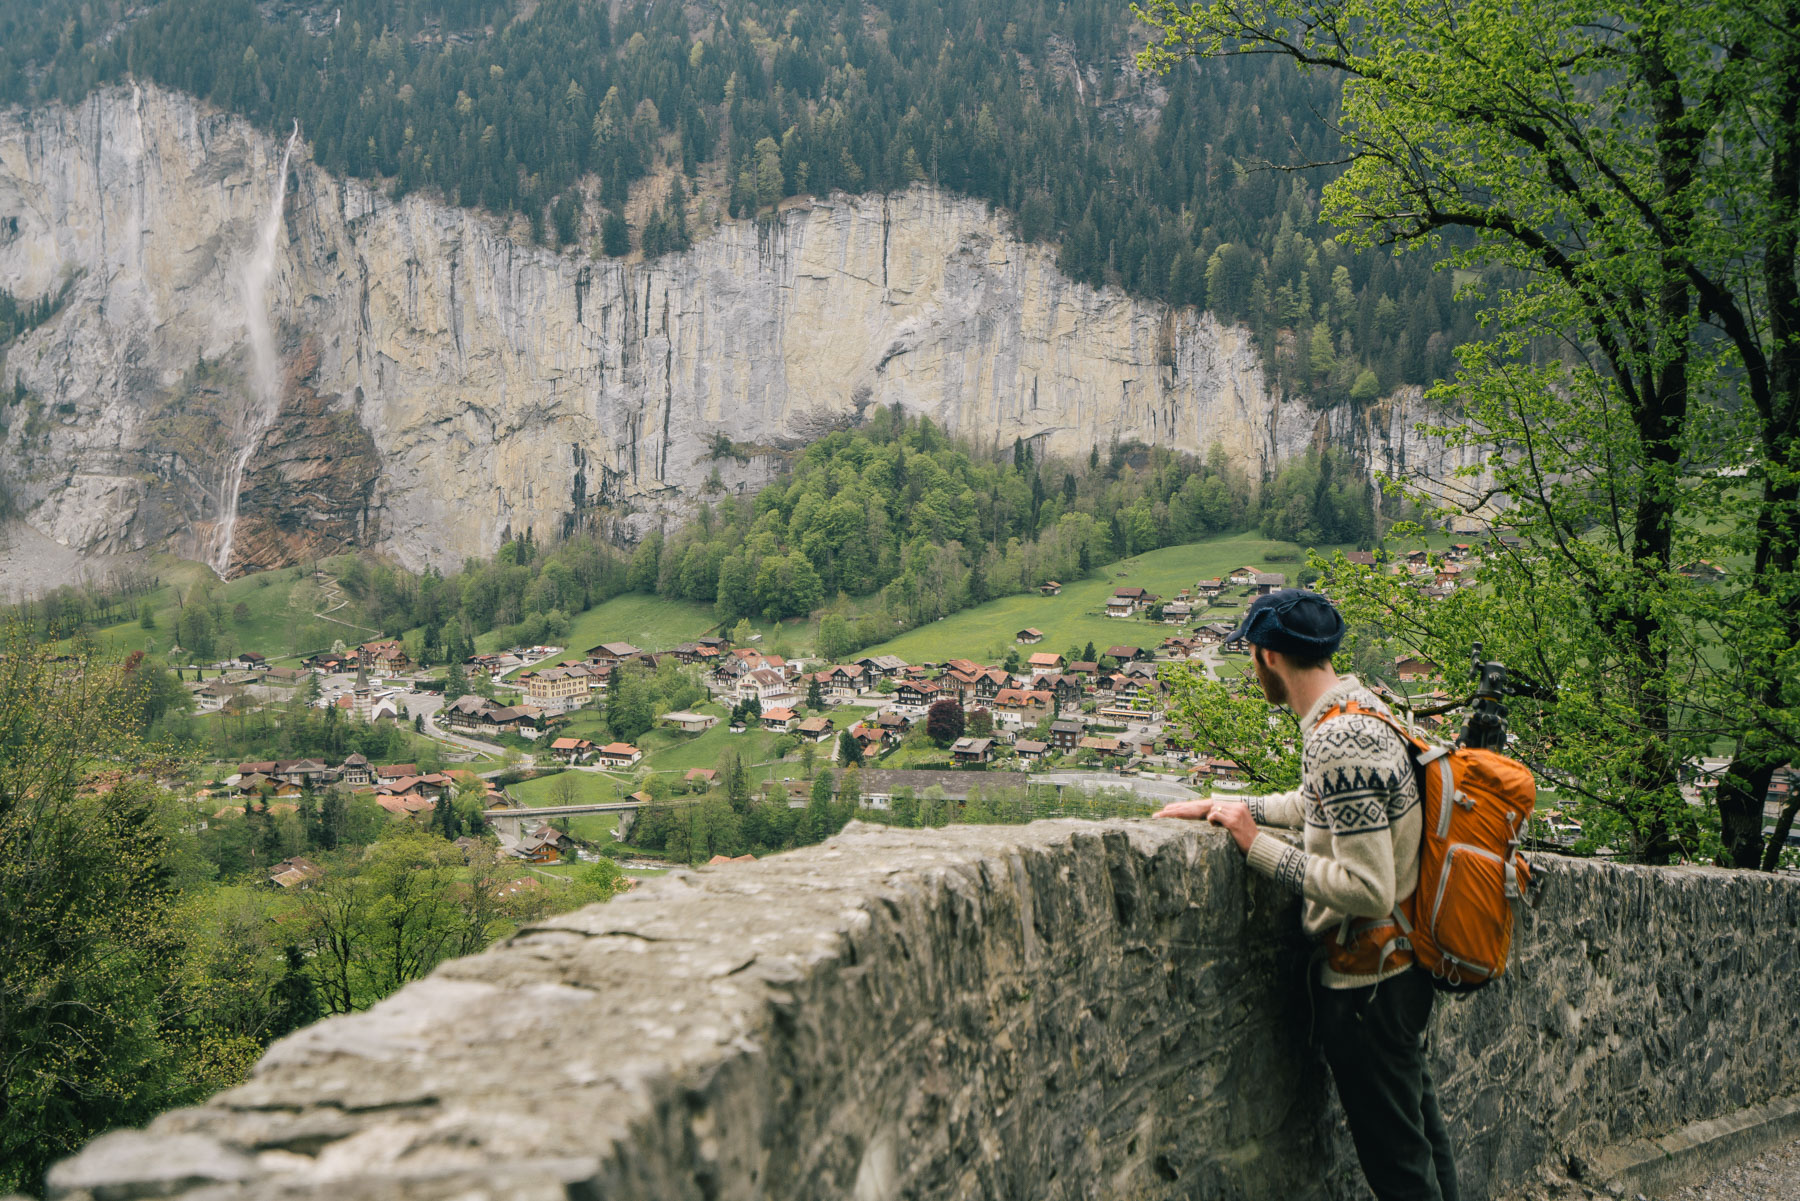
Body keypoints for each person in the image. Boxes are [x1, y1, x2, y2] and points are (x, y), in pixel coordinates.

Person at [1156, 588, 1458, 1201]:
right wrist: (1233, 806)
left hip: (1368, 987)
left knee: (1402, 1174)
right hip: (1399, 972)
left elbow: (1366, 888)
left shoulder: (1337, 739)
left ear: (1267, 655)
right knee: (1423, 1148)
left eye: (1249, 654)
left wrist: (1255, 846)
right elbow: (1326, 807)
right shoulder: (1360, 710)